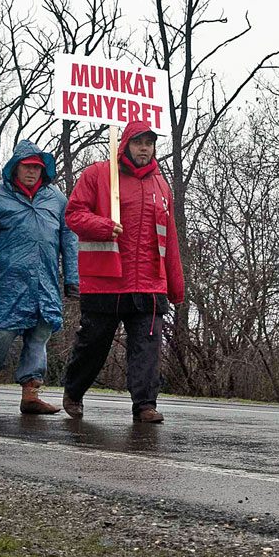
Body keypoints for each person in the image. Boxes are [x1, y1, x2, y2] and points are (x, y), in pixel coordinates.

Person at [62, 120, 185, 423]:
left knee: (147, 346)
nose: (144, 148)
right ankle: (74, 392)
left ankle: (145, 404)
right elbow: (73, 215)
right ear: (125, 144)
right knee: (94, 343)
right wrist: (103, 226)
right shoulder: (98, 174)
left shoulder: (161, 186)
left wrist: (175, 285)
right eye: (138, 142)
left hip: (149, 283)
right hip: (106, 280)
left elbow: (170, 238)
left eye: (149, 142)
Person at [0, 140, 78, 414]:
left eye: (37, 168)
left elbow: (70, 238)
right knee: (2, 333)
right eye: (27, 167)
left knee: (41, 333)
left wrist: (73, 278)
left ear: (44, 171)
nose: (31, 172)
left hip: (46, 280)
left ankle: (31, 392)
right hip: (9, 280)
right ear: (15, 167)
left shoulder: (57, 199)